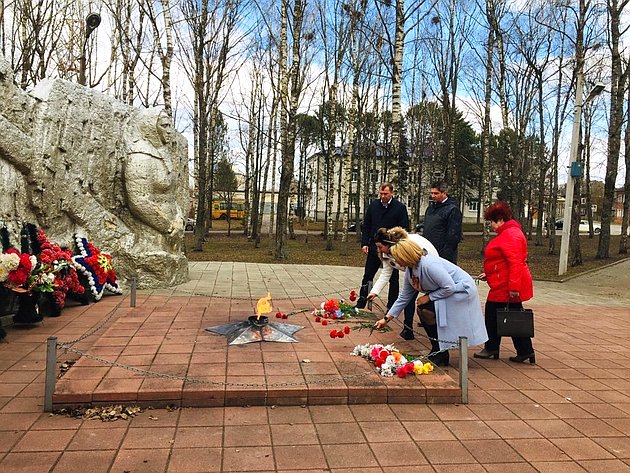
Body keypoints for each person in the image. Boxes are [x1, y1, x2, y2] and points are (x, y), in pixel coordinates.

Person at [374, 239, 488, 366]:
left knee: (426, 309)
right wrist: (386, 318)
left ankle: (440, 351)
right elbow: (404, 296)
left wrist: (429, 297)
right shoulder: (410, 270)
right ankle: (438, 350)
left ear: (405, 256)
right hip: (447, 291)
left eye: (397, 257)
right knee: (423, 309)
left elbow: (449, 287)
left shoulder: (429, 265)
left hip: (461, 291)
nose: (395, 261)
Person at [474, 201, 535, 363]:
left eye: (492, 222)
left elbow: (515, 262)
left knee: (494, 316)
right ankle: (525, 350)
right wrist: (489, 273)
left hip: (507, 285)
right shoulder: (511, 233)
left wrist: (514, 287)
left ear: (500, 219)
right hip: (506, 283)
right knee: (513, 316)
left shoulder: (510, 235)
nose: (491, 226)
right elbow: (503, 261)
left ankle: (493, 347)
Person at [368, 227, 438, 340]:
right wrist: (374, 292)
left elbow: (447, 286)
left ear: (388, 244)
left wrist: (429, 295)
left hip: (427, 270)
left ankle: (436, 331)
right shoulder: (386, 254)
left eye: (380, 247)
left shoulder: (410, 246)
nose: (379, 250)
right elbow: (386, 273)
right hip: (411, 271)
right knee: (408, 297)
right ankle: (408, 328)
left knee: (427, 304)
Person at [355, 183, 409, 310]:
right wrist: (365, 243)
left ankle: (392, 304)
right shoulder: (374, 205)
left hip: (392, 249)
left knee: (393, 278)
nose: (383, 196)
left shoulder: (399, 208)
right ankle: (362, 300)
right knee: (368, 274)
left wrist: (397, 244)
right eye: (381, 193)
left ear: (392, 193)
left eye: (386, 194)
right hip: (375, 247)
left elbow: (404, 228)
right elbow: (367, 225)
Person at [423, 180, 462, 264]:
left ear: (444, 193)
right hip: (429, 251)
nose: (433, 196)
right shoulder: (430, 208)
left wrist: (445, 254)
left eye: (436, 193)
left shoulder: (452, 209)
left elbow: (453, 236)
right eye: (432, 193)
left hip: (443, 255)